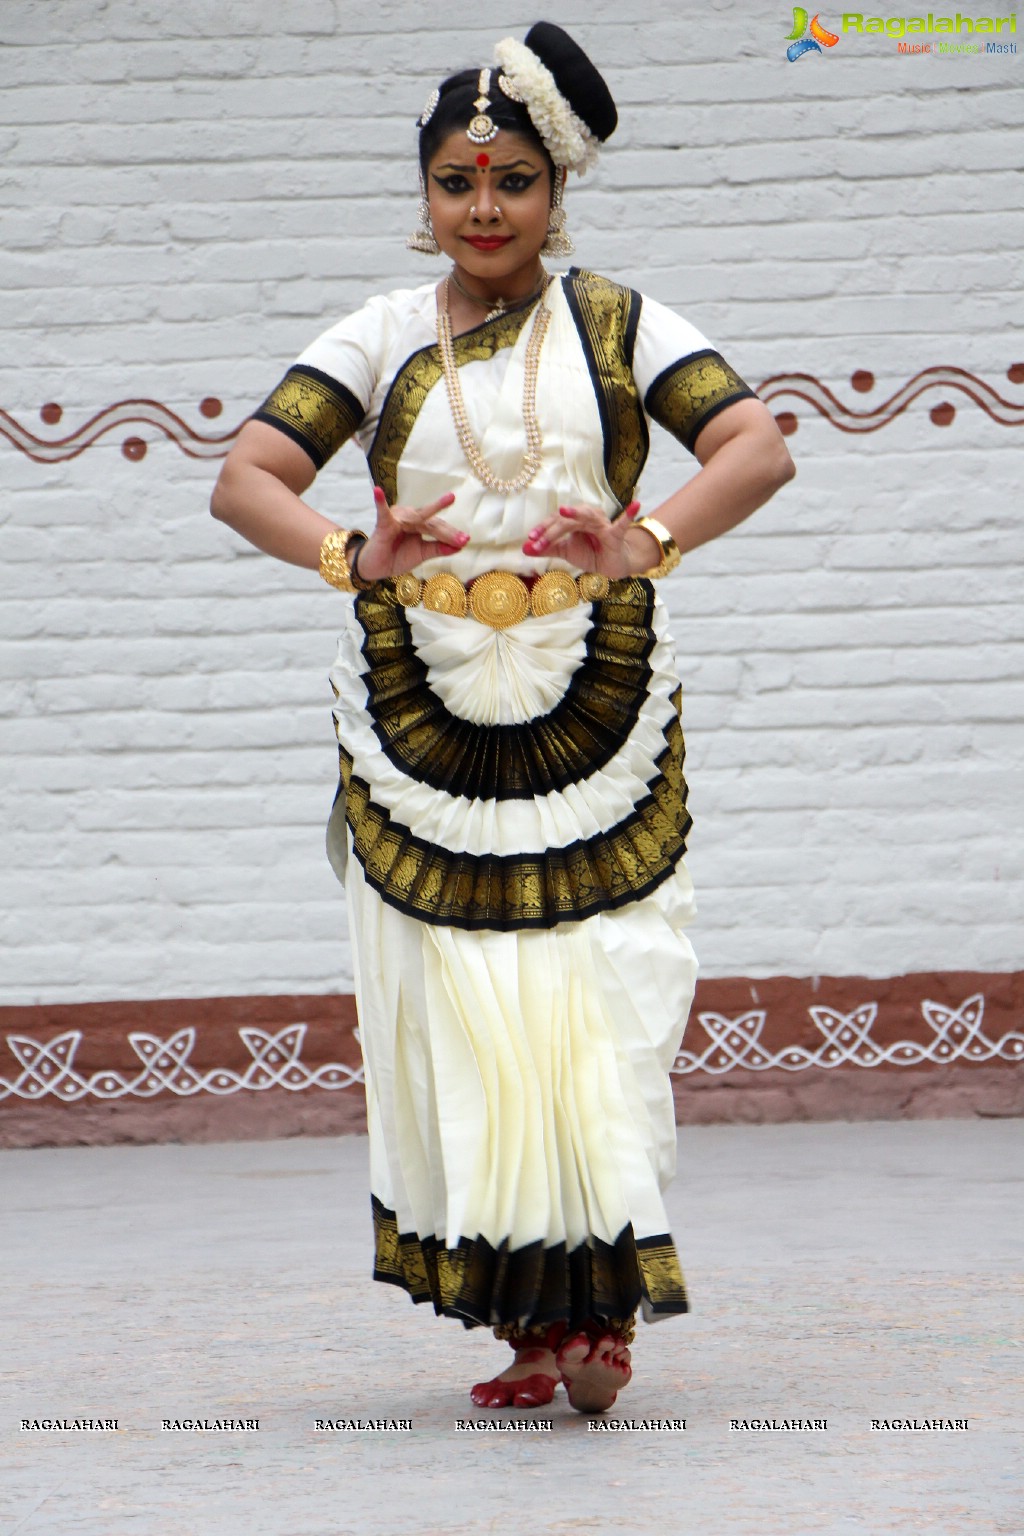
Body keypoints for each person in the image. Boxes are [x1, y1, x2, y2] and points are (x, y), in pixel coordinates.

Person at [211, 22, 794, 1415]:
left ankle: (609, 1306)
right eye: (458, 182)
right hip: (425, 715)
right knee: (465, 1015)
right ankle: (539, 1324)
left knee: (602, 998)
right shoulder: (378, 335)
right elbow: (247, 478)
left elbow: (755, 446)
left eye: (514, 181)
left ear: (555, 191)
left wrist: (642, 540)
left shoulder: (621, 322)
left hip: (592, 698)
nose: (484, 209)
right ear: (423, 194)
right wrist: (352, 558)